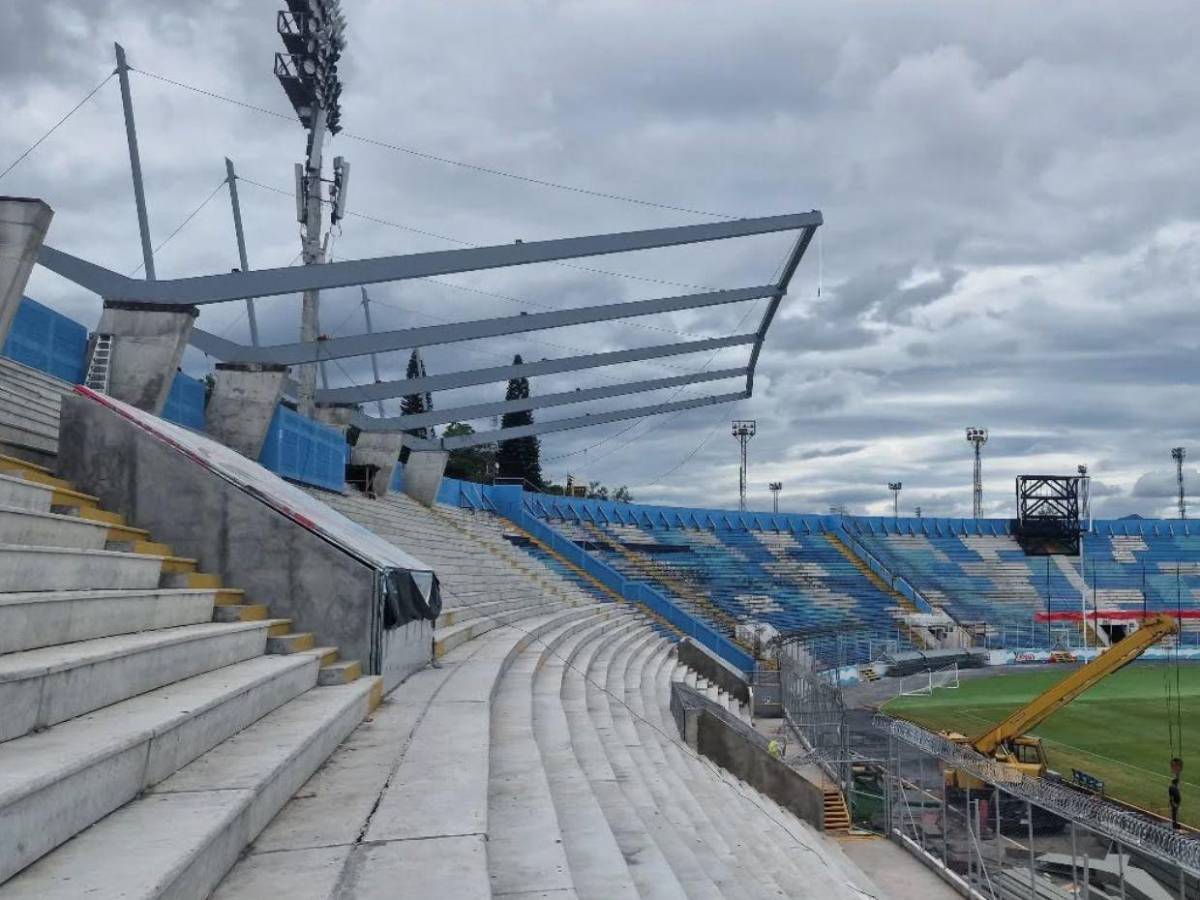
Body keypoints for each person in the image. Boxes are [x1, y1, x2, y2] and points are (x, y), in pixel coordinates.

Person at [1169, 757, 1183, 830]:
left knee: (1176, 813)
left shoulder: (1174, 786)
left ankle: (1175, 824)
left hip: (1175, 802)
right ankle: (1175, 824)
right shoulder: (1172, 787)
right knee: (1175, 813)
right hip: (1174, 802)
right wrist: (1173, 803)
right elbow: (1171, 796)